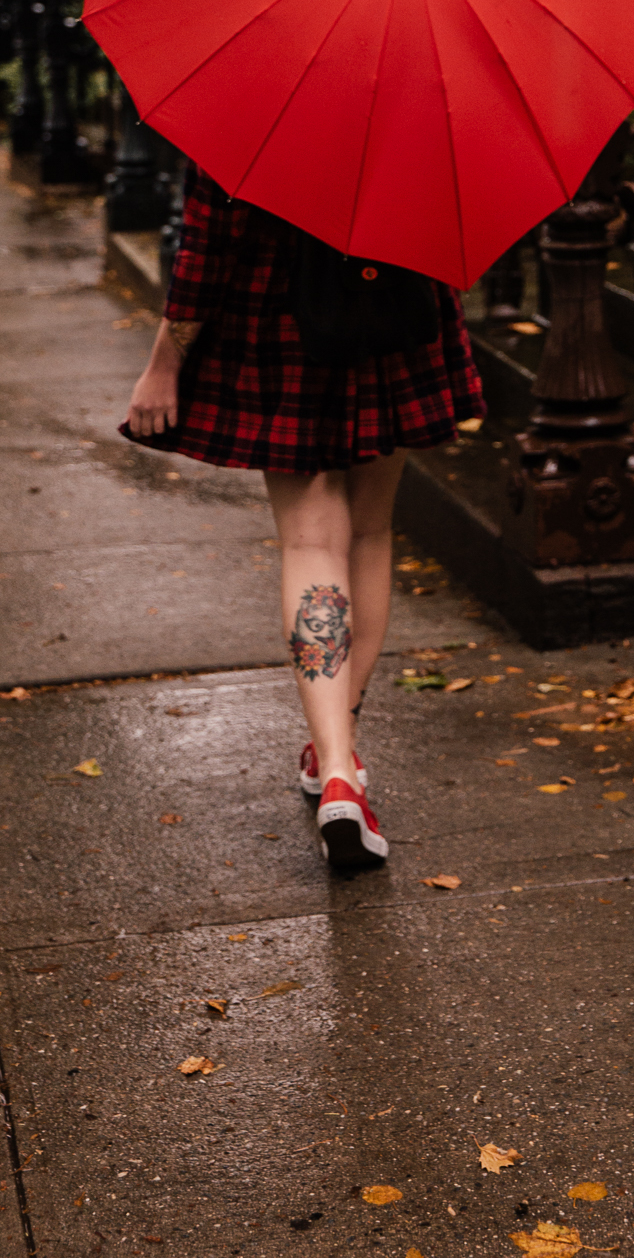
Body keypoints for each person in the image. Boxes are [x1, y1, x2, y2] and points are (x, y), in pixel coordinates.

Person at [125, 166, 484, 874]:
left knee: (312, 541)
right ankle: (338, 762)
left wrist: (163, 362)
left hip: (279, 324)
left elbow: (205, 240)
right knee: (374, 531)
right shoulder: (417, 87)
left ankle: (339, 767)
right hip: (396, 314)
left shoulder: (254, 90)